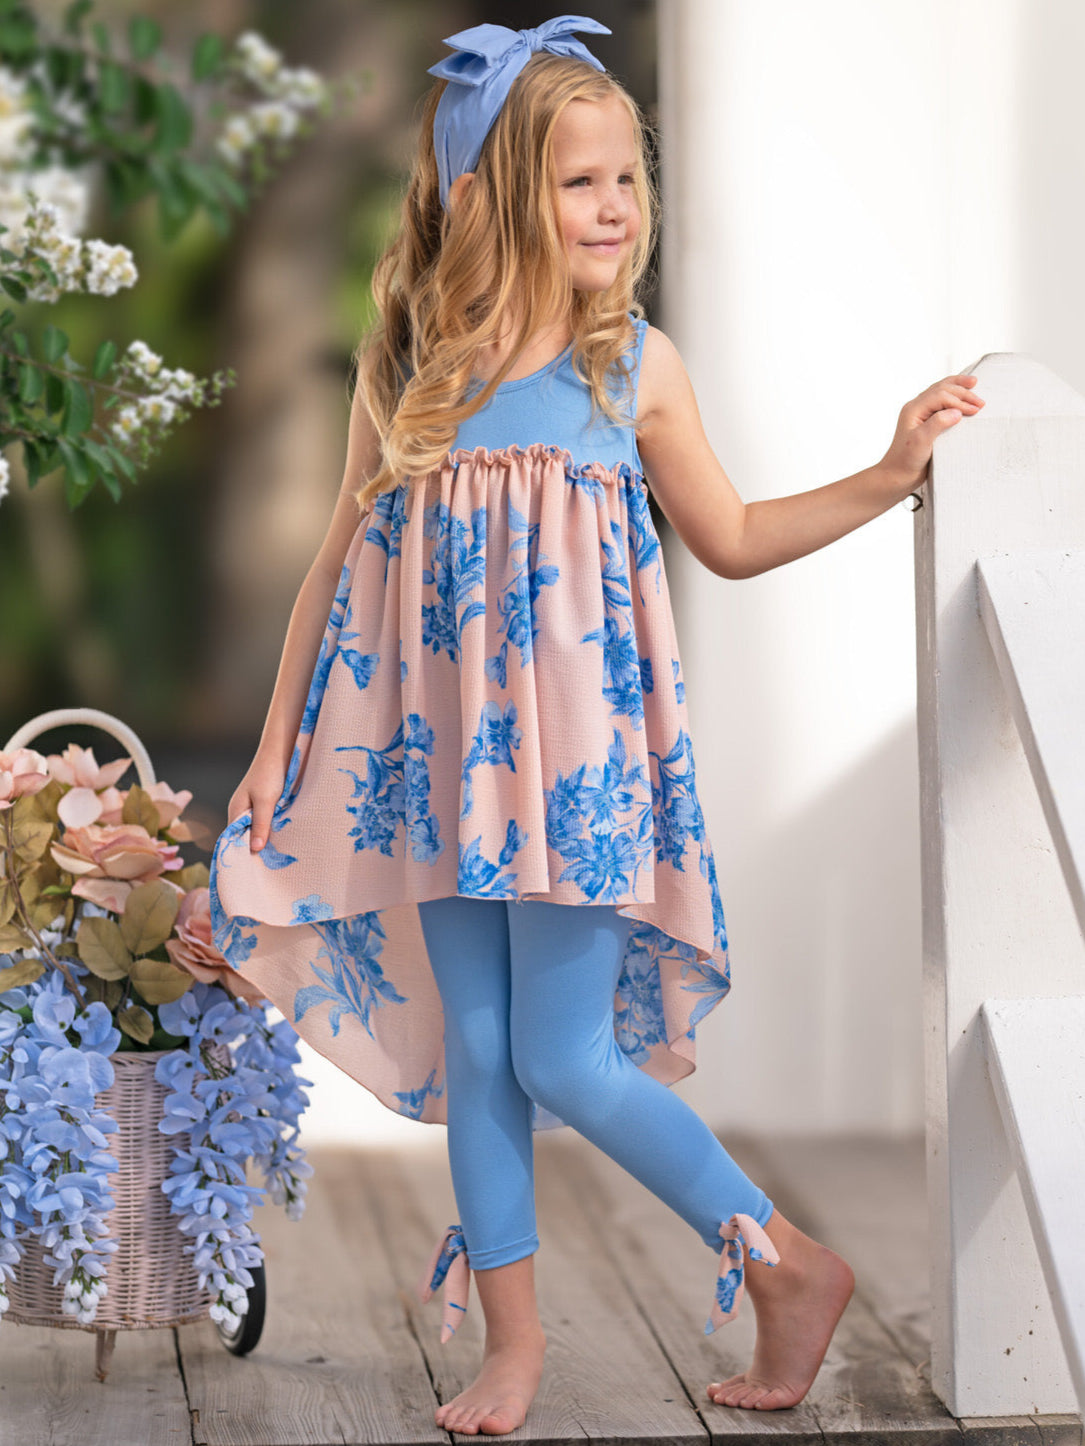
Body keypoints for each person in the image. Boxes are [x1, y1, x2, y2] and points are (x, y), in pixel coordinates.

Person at [207, 14, 984, 1436]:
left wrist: (886, 476)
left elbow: (730, 535)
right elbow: (332, 567)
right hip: (434, 766)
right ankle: (512, 1348)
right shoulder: (412, 363)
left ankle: (785, 1261)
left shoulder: (633, 366)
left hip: (576, 773)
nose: (617, 206)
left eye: (628, 177)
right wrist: (274, 760)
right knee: (481, 1051)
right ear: (496, 197)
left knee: (562, 1054)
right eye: (580, 182)